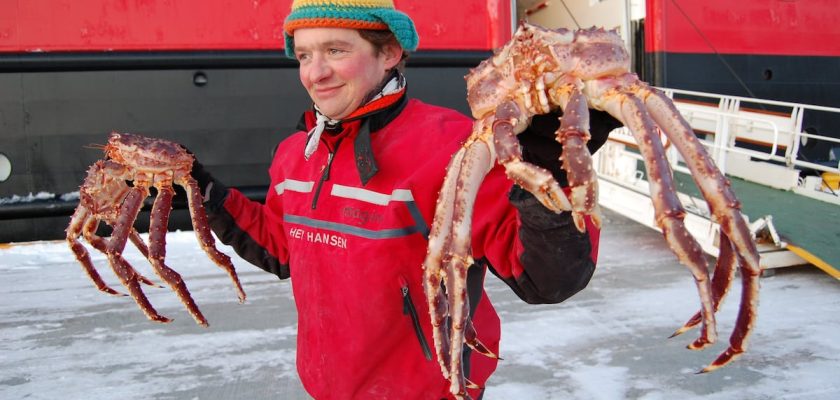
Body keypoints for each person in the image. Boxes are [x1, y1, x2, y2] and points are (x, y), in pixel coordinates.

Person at [190, 1, 622, 398]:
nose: (315, 73)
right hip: (327, 388)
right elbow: (284, 250)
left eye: (336, 51)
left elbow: (548, 278)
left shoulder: (455, 147)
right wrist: (203, 193)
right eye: (304, 55)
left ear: (391, 52)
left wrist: (547, 168)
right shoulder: (295, 154)